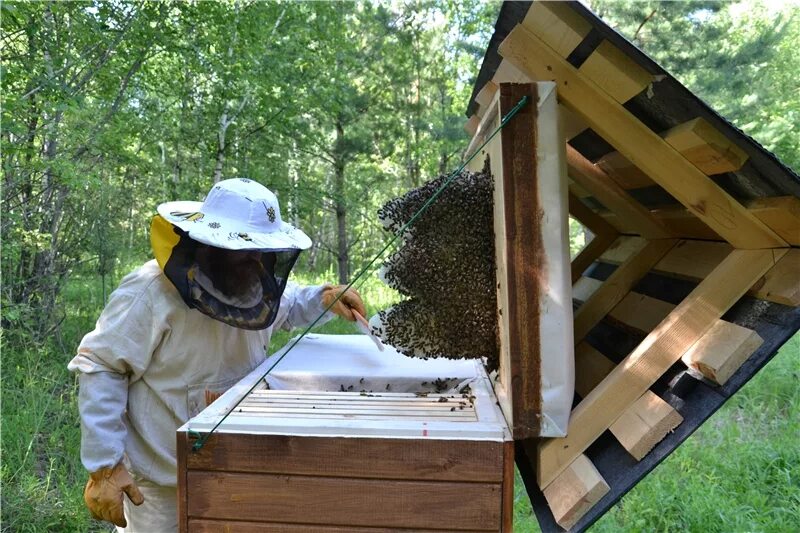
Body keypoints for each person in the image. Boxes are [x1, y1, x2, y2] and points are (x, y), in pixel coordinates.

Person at [68, 178, 366, 532]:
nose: (254, 260)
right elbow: (101, 365)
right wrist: (105, 466)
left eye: (260, 251)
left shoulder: (249, 283)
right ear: (210, 245)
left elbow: (281, 308)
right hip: (161, 483)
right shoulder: (150, 291)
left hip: (235, 464)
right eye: (245, 250)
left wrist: (322, 297)